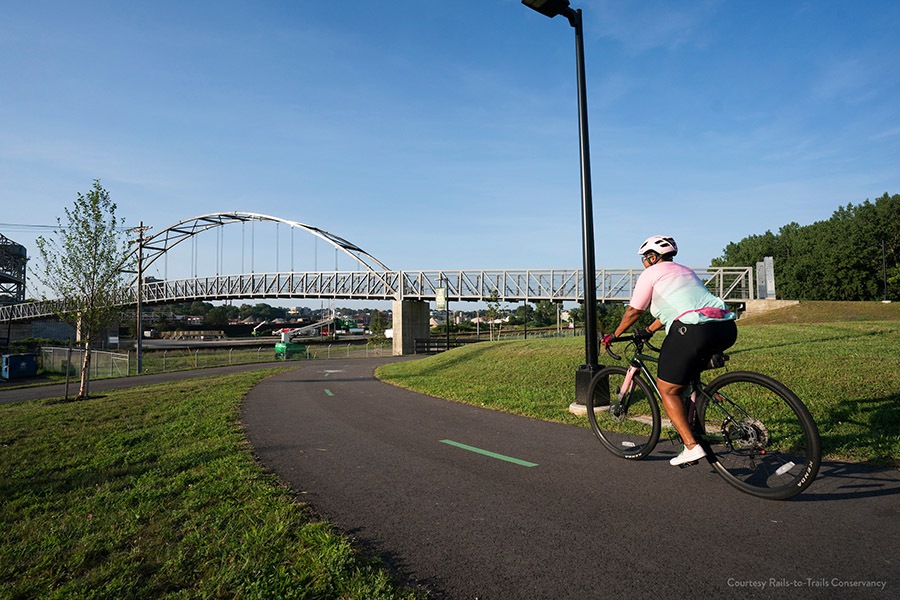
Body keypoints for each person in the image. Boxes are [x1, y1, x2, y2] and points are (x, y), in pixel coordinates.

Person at [602, 235, 737, 466]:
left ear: (653, 257)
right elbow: (678, 307)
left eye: (645, 258)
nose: (644, 263)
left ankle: (691, 446)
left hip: (693, 330)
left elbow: (634, 311)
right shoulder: (684, 271)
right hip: (725, 327)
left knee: (668, 390)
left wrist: (614, 335)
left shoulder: (651, 273)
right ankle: (696, 424)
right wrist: (650, 329)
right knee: (687, 375)